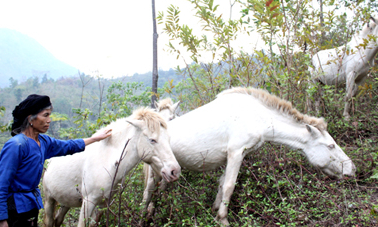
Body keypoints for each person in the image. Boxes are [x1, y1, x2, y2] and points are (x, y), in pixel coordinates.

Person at [0, 94, 112, 227]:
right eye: (45, 115)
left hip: (30, 205)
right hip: (14, 209)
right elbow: (2, 183)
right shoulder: (16, 145)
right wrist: (2, 219)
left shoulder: (43, 142)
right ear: (31, 118)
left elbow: (68, 146)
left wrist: (95, 138)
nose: (49, 120)